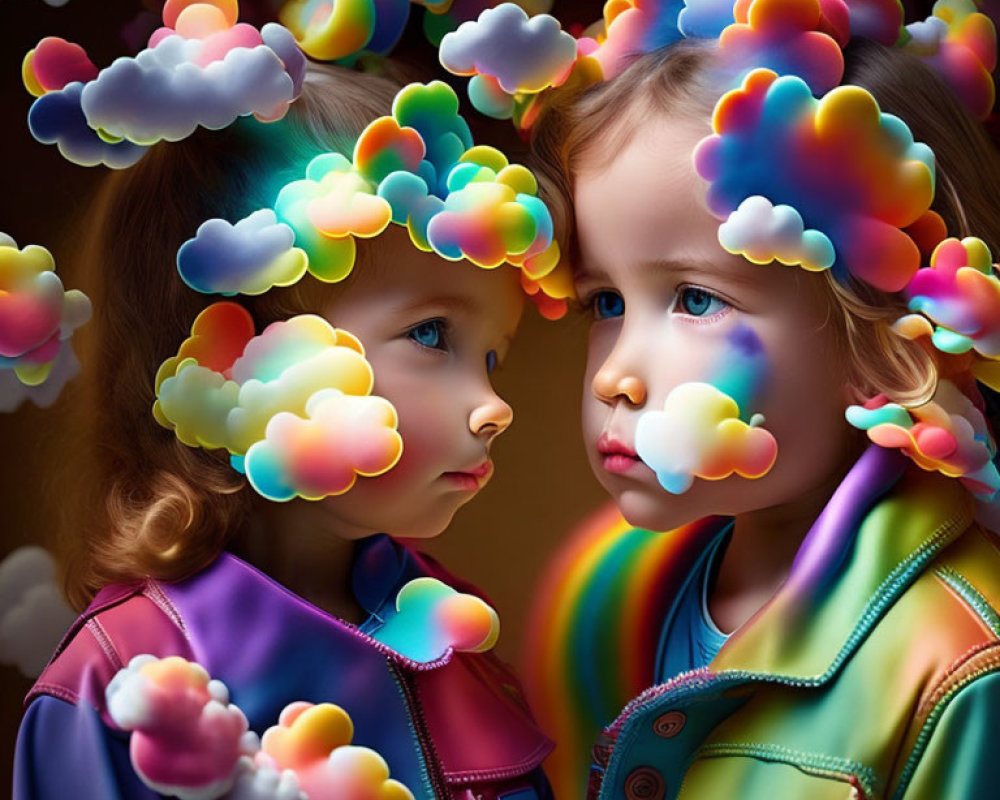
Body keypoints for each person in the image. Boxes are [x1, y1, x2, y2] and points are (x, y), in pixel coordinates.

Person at [12, 7, 567, 796]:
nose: (493, 406)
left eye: (493, 358)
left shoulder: (454, 635)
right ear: (232, 355)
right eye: (433, 334)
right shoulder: (114, 681)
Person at [523, 4, 1000, 799]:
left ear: (883, 346)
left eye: (696, 300)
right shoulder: (602, 587)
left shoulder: (959, 669)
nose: (615, 377)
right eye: (604, 302)